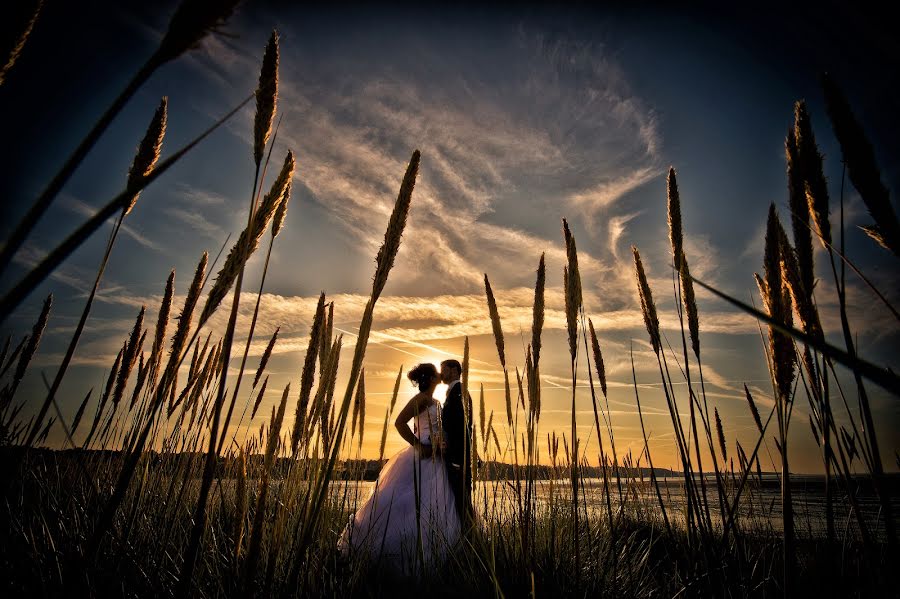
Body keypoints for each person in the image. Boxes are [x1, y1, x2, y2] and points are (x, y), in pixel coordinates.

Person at [337, 363, 460, 574]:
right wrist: (418, 444)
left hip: (436, 459)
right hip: (421, 456)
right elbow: (399, 422)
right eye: (436, 373)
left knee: (436, 506)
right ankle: (395, 553)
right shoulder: (420, 399)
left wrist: (442, 444)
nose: (440, 375)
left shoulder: (436, 401)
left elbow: (437, 428)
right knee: (409, 504)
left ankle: (433, 553)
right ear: (430, 379)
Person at [439, 359, 474, 529]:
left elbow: (462, 429)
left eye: (443, 369)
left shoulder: (461, 393)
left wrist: (457, 459)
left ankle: (470, 540)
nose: (441, 373)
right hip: (453, 457)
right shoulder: (453, 393)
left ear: (454, 370)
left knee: (463, 503)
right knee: (457, 501)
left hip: (458, 459)